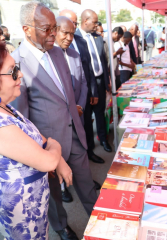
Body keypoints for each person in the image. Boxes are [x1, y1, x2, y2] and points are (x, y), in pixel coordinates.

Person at [11, 2, 98, 240]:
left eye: (53, 28)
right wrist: (41, 152)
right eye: (46, 28)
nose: (53, 34)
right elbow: (23, 119)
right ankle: (61, 227)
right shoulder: (16, 64)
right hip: (47, 146)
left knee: (87, 187)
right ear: (27, 29)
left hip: (76, 137)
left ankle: (103, 224)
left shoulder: (59, 53)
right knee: (54, 196)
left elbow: (67, 94)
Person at [0, 41, 65, 239]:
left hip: (33, 209)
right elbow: (48, 160)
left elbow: (41, 140)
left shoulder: (8, 108)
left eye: (17, 68)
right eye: (12, 71)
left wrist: (51, 146)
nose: (20, 75)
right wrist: (56, 146)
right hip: (21, 218)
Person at [59, 9, 106, 164]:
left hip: (82, 93)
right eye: (69, 22)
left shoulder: (80, 41)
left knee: (86, 124)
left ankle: (89, 152)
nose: (72, 26)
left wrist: (86, 94)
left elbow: (88, 69)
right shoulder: (53, 49)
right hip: (63, 103)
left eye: (74, 22)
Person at [54, 16, 89, 203]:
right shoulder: (49, 57)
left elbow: (83, 82)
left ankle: (80, 185)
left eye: (72, 34)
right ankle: (62, 187)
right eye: (64, 32)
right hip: (59, 122)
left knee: (78, 155)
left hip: (78, 116)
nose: (68, 37)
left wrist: (80, 107)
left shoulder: (75, 55)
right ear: (55, 31)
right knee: (61, 154)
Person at [75, 9, 112, 153]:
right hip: (85, 84)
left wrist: (107, 79)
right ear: (85, 21)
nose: (96, 25)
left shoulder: (97, 37)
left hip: (100, 81)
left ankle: (103, 139)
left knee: (100, 113)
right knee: (87, 116)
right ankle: (89, 147)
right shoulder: (75, 38)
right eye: (94, 22)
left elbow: (103, 60)